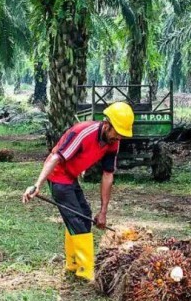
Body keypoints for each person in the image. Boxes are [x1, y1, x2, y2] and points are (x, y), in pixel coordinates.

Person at [22, 102, 134, 281]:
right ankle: (86, 272)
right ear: (107, 125)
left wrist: (103, 211)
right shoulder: (83, 133)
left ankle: (73, 263)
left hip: (71, 177)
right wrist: (37, 185)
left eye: (121, 136)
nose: (118, 139)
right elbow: (55, 157)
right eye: (117, 134)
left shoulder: (113, 142)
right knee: (78, 221)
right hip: (58, 176)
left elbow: (107, 175)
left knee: (85, 215)